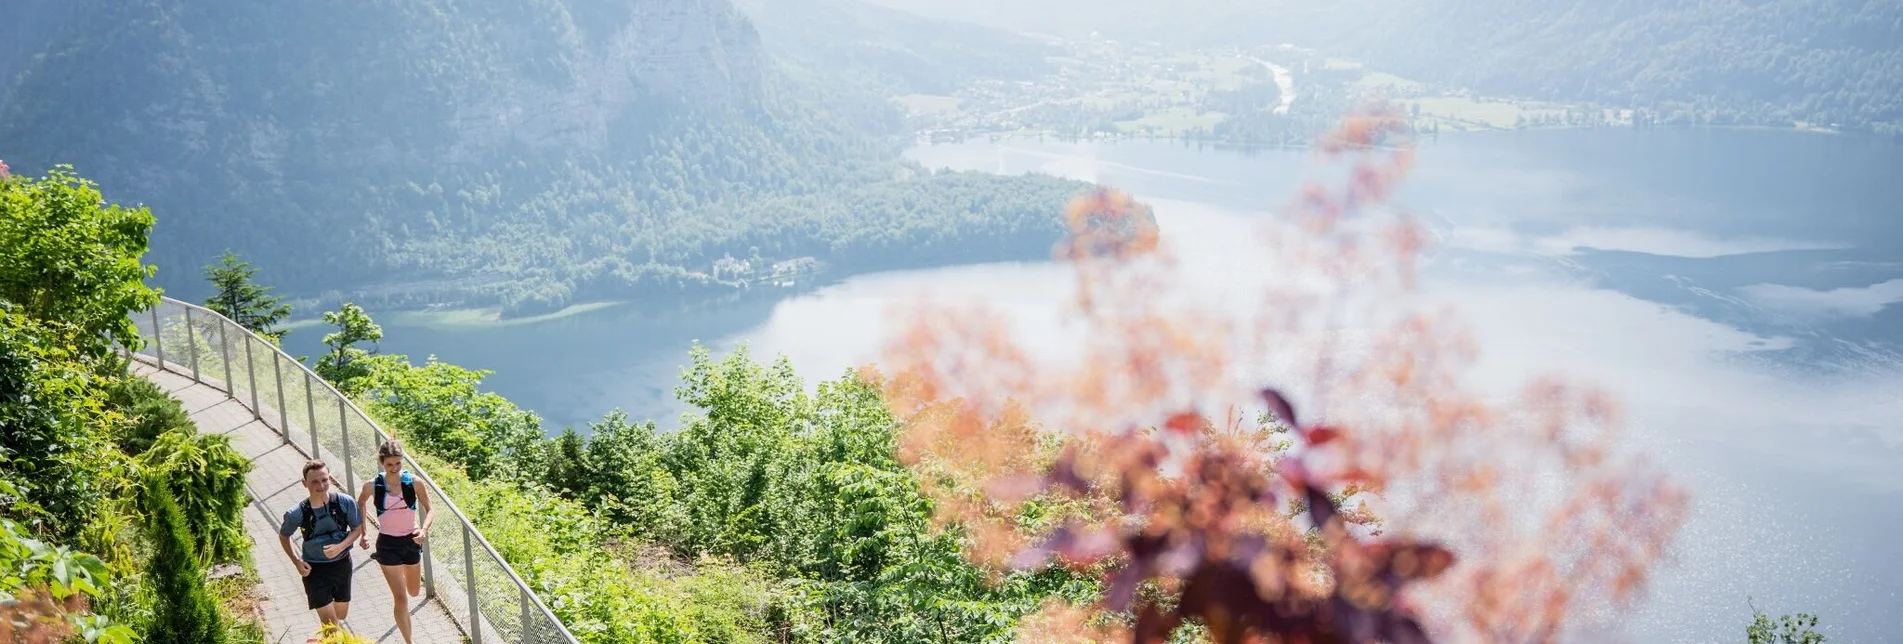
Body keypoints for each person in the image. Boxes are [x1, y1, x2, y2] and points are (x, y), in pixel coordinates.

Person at [357, 439, 434, 644]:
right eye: (389, 464)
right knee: (401, 599)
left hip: (410, 542)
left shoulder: (414, 482)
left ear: (402, 461)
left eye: (398, 463)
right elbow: (360, 504)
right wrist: (363, 533)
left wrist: (424, 530)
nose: (394, 468)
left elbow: (430, 509)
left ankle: (400, 574)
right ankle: (409, 641)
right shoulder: (372, 485)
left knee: (414, 591)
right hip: (387, 544)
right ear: (382, 463)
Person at [277, 459, 365, 637]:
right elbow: (284, 535)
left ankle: (321, 639)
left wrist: (340, 547)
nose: (321, 485)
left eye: (324, 480)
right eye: (315, 482)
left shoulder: (345, 502)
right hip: (314, 570)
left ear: (330, 479)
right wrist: (296, 562)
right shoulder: (298, 512)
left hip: (342, 565)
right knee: (331, 626)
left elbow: (357, 529)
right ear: (305, 484)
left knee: (340, 615)